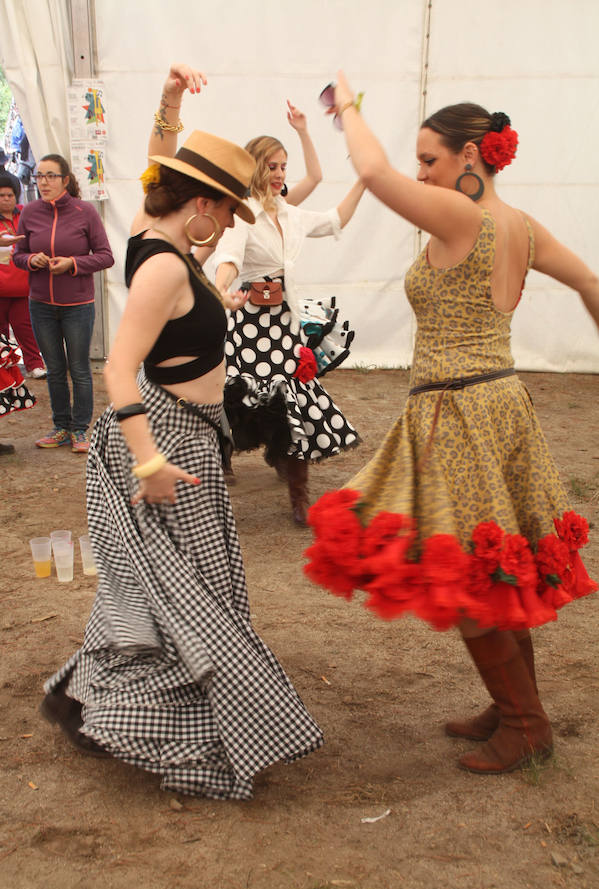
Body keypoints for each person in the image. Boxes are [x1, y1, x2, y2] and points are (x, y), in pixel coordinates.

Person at [40, 67, 323, 800]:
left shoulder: (154, 240)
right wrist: (148, 462)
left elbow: (158, 163)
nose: (230, 223)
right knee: (186, 588)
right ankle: (135, 715)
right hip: (165, 443)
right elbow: (119, 370)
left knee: (173, 586)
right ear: (198, 206)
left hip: (190, 436)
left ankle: (88, 701)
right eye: (225, 210)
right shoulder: (163, 265)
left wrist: (169, 103)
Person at [306, 72, 599, 775]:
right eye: (418, 161)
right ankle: (511, 708)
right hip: (497, 401)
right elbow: (591, 284)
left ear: (471, 156)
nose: (419, 172)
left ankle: (526, 725)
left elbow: (371, 171)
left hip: (458, 409)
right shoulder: (523, 227)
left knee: (466, 570)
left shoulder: (461, 217)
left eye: (429, 159)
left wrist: (344, 103)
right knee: (493, 565)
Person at [213, 132, 365, 525]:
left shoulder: (289, 213)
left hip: (284, 325)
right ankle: (221, 462)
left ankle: (299, 497)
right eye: (272, 166)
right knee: (237, 397)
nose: (280, 174)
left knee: (294, 400)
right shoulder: (243, 212)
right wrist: (220, 288)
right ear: (255, 168)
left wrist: (365, 181)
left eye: (284, 167)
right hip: (248, 324)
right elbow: (228, 258)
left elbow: (335, 219)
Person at [13, 154, 114, 452]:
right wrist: (32, 259)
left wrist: (72, 263)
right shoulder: (29, 212)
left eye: (50, 176)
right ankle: (61, 427)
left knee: (79, 368)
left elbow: (106, 256)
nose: (43, 182)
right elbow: (19, 253)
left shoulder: (86, 212)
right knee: (54, 369)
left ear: (66, 180)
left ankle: (81, 430)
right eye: (39, 176)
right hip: (40, 304)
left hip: (78, 305)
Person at [0, 176, 46, 378]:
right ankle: (5, 371)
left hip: (22, 287)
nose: (6, 199)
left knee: (26, 329)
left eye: (9, 194)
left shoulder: (26, 215)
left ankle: (34, 364)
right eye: (1, 195)